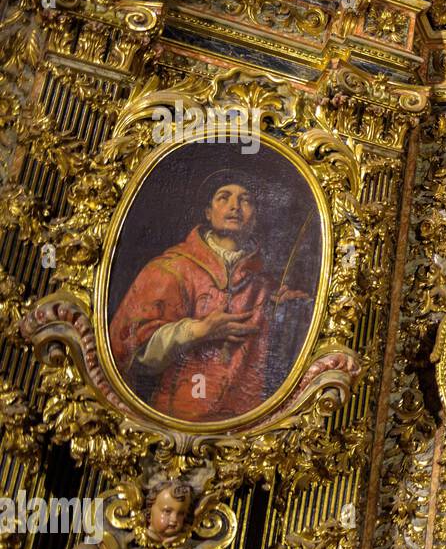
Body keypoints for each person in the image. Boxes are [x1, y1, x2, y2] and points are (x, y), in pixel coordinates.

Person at [108, 169, 308, 422]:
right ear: (207, 212)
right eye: (224, 197)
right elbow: (130, 351)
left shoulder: (265, 285)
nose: (235, 206)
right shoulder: (171, 268)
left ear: (255, 217)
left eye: (245, 200)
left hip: (245, 426)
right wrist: (197, 331)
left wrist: (287, 313)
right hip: (176, 420)